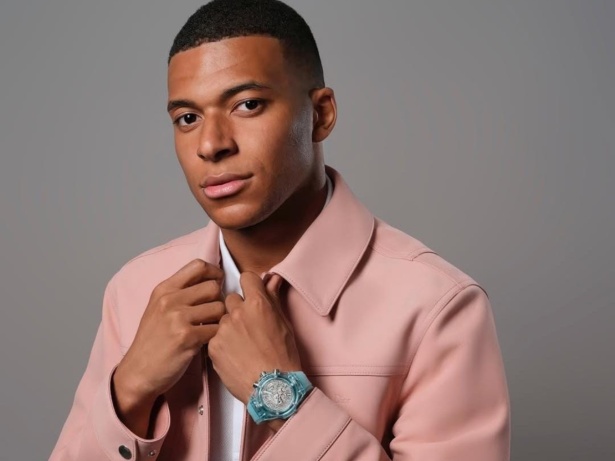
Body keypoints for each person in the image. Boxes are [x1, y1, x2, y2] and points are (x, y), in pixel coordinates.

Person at [49, 0, 510, 459]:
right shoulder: (135, 292)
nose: (211, 145)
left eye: (247, 105)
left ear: (321, 114)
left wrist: (282, 397)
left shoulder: (437, 307)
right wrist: (130, 389)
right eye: (188, 118)